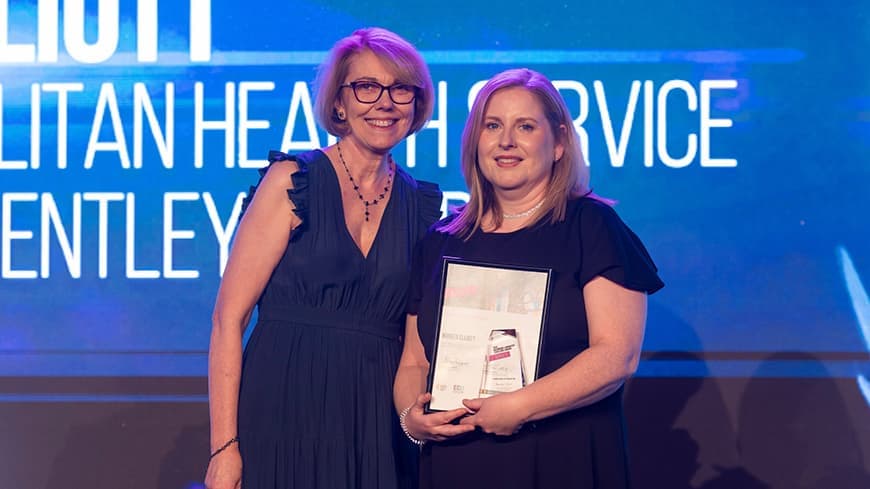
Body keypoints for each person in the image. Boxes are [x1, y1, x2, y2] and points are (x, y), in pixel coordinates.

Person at [393, 68, 664, 488]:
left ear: (558, 142)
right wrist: (412, 419)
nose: (506, 141)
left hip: (563, 458)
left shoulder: (591, 226)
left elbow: (616, 356)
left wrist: (519, 406)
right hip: (457, 462)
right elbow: (414, 360)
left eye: (525, 126)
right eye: (492, 126)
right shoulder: (440, 240)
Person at [205, 27, 442, 489]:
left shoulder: (422, 207)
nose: (385, 103)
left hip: (374, 425)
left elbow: (416, 347)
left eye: (400, 89)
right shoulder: (293, 181)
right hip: (282, 409)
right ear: (339, 103)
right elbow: (228, 320)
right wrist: (224, 447)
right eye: (367, 87)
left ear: (417, 105)